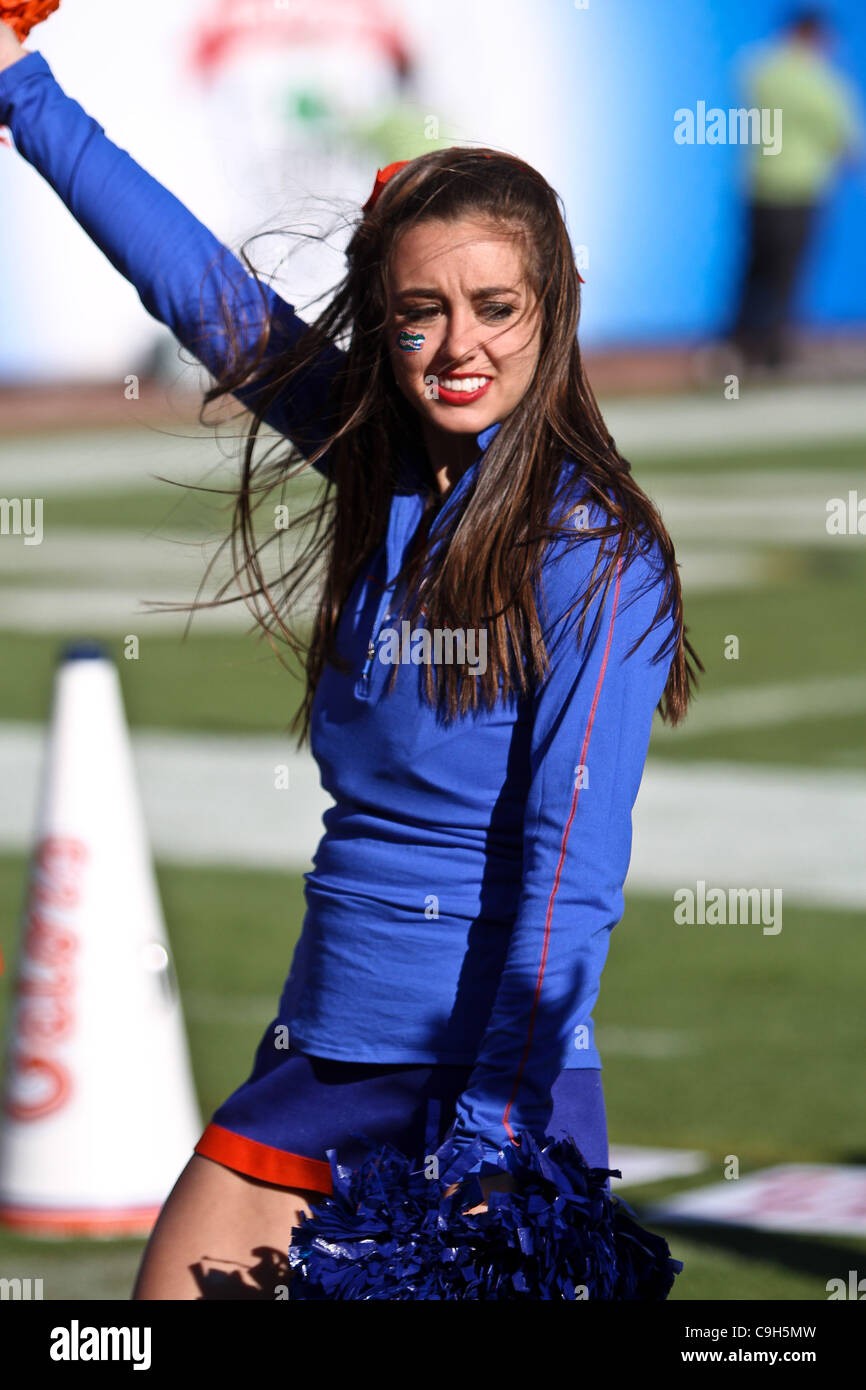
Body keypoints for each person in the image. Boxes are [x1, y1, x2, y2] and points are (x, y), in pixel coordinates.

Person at [0, 26, 701, 1300]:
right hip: (319, 1051)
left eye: (496, 309)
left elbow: (568, 866)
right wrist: (18, 86)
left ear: (554, 313)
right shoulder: (375, 460)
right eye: (419, 314)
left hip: (485, 1086)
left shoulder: (594, 557)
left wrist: (490, 1133)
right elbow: (201, 293)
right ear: (382, 322)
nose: (457, 348)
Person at [729, 7, 863, 371]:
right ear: (813, 35)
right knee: (788, 273)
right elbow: (847, 140)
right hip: (801, 189)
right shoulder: (822, 81)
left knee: (753, 268)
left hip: (759, 185)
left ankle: (734, 350)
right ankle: (774, 354)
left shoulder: (759, 68)